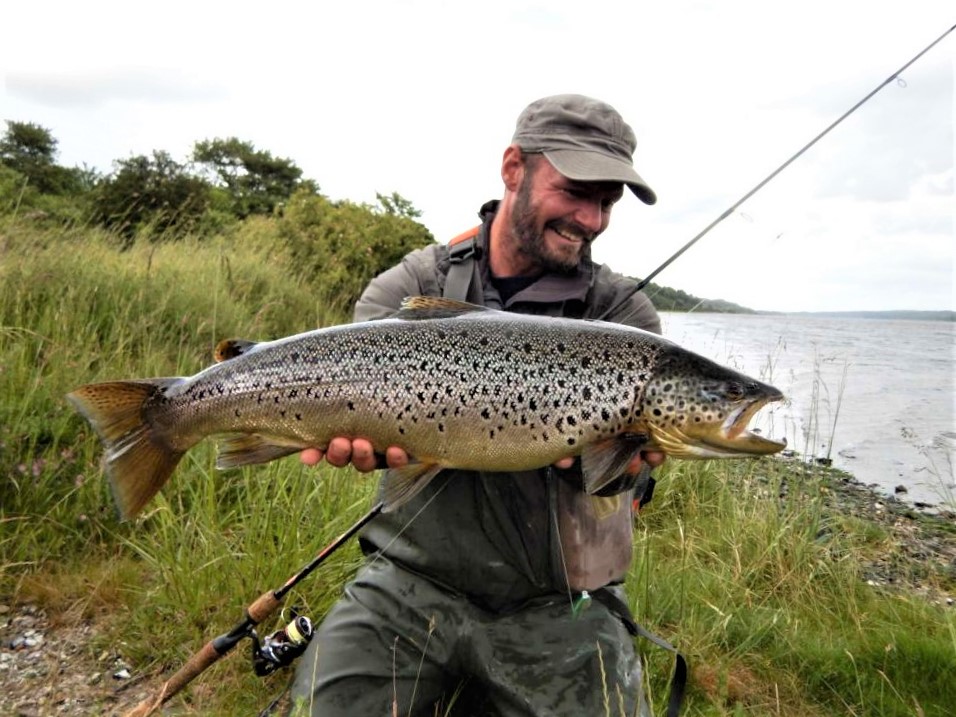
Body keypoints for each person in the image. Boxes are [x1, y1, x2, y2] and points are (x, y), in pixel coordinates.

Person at [289, 94, 666, 717]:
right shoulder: (413, 288)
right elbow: (348, 399)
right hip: (407, 582)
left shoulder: (623, 319)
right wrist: (350, 435)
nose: (592, 218)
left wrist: (624, 470)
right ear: (514, 167)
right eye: (575, 191)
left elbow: (640, 480)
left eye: (606, 202)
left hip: (560, 601)